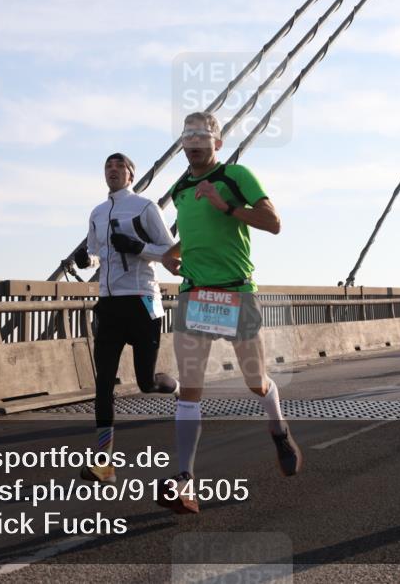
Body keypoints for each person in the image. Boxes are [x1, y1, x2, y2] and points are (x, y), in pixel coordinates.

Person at [157, 111, 301, 514]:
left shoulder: (236, 176)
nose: (196, 142)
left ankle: (278, 426)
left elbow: (273, 222)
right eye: (188, 136)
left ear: (217, 143)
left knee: (255, 381)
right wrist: (173, 254)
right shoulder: (181, 187)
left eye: (204, 136)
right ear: (182, 144)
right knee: (190, 389)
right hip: (195, 294)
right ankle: (184, 479)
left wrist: (226, 206)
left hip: (236, 293)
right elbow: (193, 232)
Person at [71, 153, 179, 485]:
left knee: (145, 382)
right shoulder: (97, 213)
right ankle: (104, 463)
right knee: (103, 383)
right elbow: (94, 252)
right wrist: (84, 259)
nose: (113, 171)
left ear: (131, 175)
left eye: (120, 167)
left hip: (142, 302)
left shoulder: (145, 208)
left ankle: (175, 387)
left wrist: (137, 246)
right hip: (108, 305)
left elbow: (171, 252)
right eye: (108, 166)